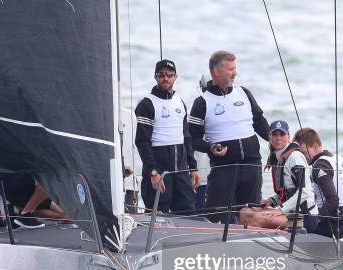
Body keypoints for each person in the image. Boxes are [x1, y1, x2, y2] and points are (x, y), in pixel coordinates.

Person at [188, 51, 269, 222]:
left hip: (251, 165)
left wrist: (280, 147)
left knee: (251, 214)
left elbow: (260, 122)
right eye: (230, 69)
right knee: (217, 216)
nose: (235, 73)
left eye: (235, 68)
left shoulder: (243, 93)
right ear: (216, 72)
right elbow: (192, 139)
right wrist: (210, 148)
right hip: (224, 167)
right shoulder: (202, 102)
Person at [135, 59, 200, 213]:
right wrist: (153, 171)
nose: (166, 78)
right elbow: (142, 142)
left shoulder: (180, 102)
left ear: (175, 77)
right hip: (159, 173)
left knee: (187, 213)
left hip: (181, 172)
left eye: (169, 74)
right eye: (161, 75)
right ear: (155, 77)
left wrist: (193, 167)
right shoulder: (146, 104)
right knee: (157, 214)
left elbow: (187, 138)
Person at [239, 120, 318, 231]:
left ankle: (256, 246)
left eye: (282, 134)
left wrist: (280, 209)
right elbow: (288, 191)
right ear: (270, 138)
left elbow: (304, 192)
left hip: (304, 216)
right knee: (245, 212)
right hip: (290, 212)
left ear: (288, 137)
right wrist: (272, 201)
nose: (278, 138)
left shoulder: (295, 157)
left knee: (258, 218)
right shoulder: (278, 157)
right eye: (274, 134)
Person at [293, 127, 343, 239]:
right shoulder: (336, 158)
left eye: (304, 153)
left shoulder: (320, 166)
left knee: (286, 224)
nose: (303, 158)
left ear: (315, 146)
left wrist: (315, 219)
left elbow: (333, 200)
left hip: (331, 223)